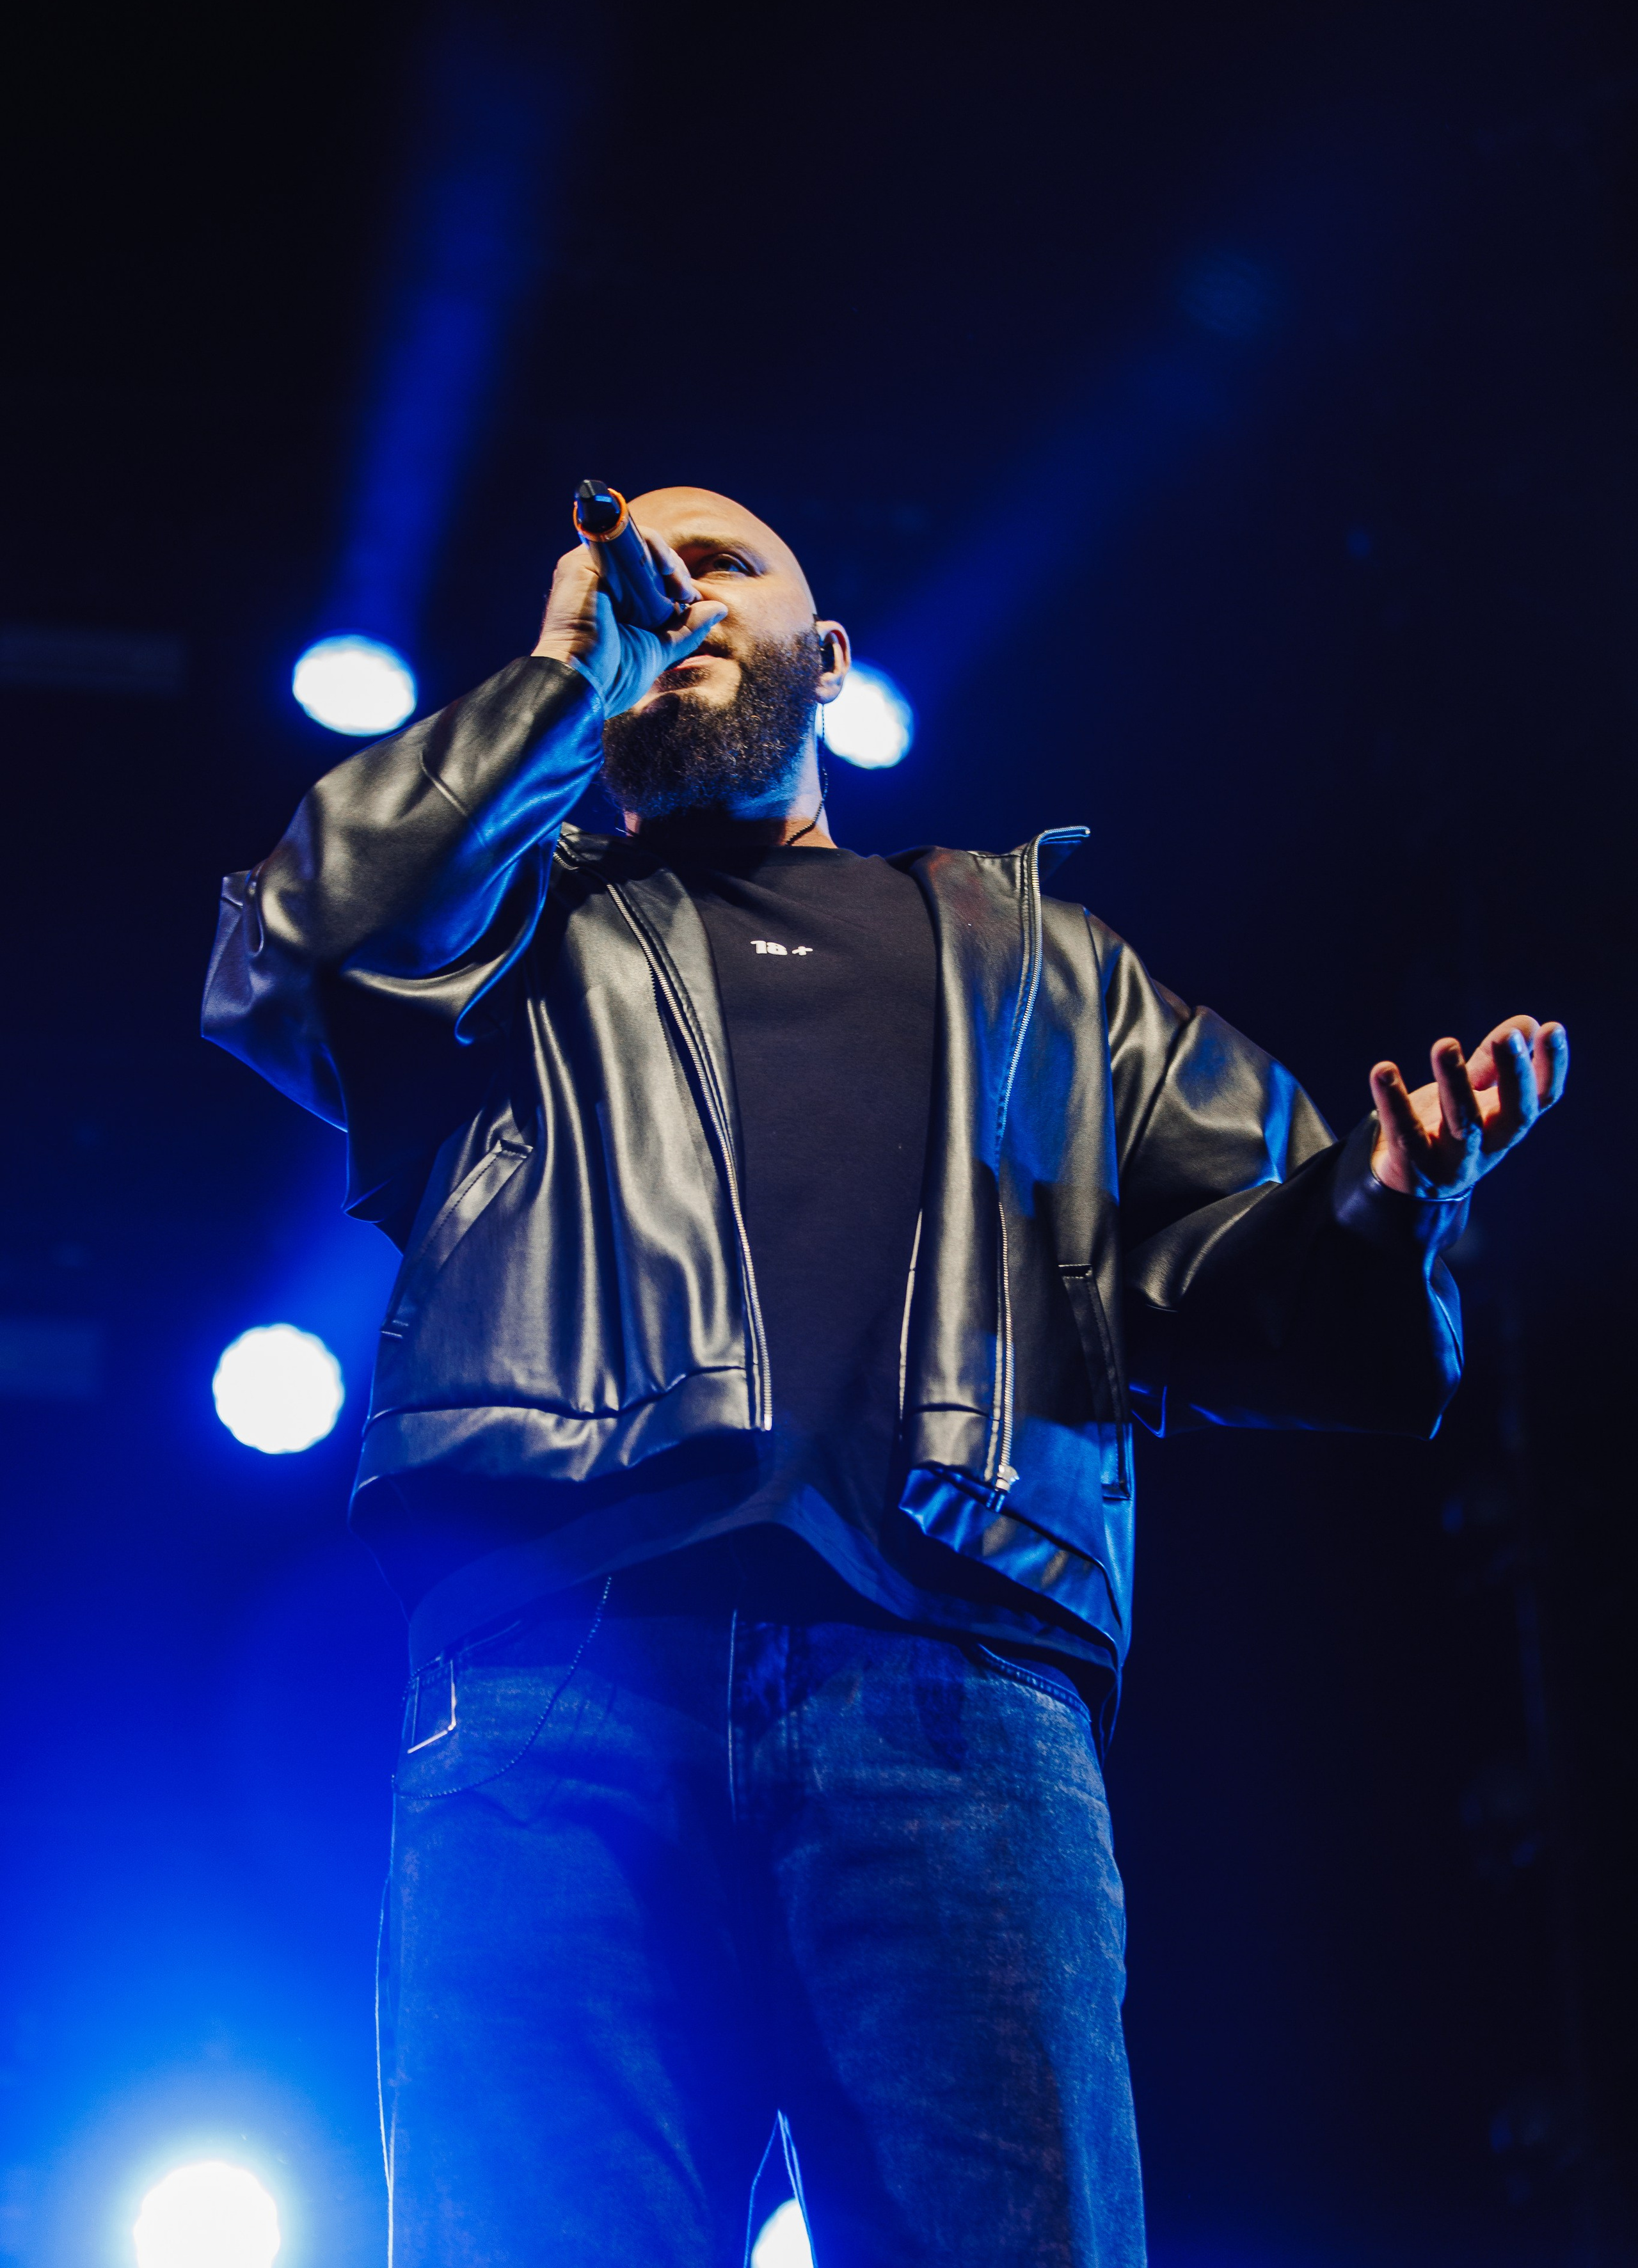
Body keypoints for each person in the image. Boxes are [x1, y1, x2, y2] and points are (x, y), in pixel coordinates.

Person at [203, 487, 1568, 2268]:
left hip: (958, 1698)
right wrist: (555, 677)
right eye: (626, 580)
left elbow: (1255, 1262)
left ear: (829, 659)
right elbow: (289, 940)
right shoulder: (503, 946)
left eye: (723, 571)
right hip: (560, 1682)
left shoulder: (1040, 972)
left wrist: (1389, 1202)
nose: (669, 595)